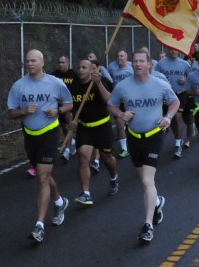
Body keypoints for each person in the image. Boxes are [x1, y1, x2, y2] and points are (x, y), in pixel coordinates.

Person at [107, 49, 180, 243]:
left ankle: (147, 225)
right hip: (133, 137)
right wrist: (120, 114)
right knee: (145, 181)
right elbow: (111, 104)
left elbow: (174, 101)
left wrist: (168, 117)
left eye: (141, 61)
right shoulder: (122, 86)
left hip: (154, 136)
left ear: (149, 64)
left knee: (148, 181)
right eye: (135, 61)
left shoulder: (159, 84)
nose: (138, 64)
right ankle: (157, 202)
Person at [7, 49, 72, 243]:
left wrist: (58, 110)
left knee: (42, 177)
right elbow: (10, 113)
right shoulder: (19, 86)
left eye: (33, 61)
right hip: (30, 135)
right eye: (27, 61)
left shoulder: (55, 83)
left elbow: (69, 103)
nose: (30, 64)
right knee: (44, 175)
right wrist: (23, 111)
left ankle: (39, 226)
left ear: (42, 62)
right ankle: (60, 202)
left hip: (49, 133)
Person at [68, 59, 119, 205]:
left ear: (92, 70)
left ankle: (114, 177)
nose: (81, 70)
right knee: (83, 156)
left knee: (106, 157)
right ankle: (86, 193)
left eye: (84, 67)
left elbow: (110, 101)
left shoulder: (101, 81)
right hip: (85, 127)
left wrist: (98, 83)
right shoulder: (74, 86)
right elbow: (74, 107)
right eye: (79, 67)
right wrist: (73, 121)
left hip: (102, 126)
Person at [155, 48, 192, 159]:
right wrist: (162, 80)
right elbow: (154, 76)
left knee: (177, 117)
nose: (173, 51)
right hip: (165, 95)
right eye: (171, 50)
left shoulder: (185, 64)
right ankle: (178, 138)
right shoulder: (161, 64)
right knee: (170, 120)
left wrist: (185, 80)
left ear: (179, 51)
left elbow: (191, 78)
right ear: (167, 50)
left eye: (175, 50)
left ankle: (177, 146)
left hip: (180, 94)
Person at [51, 55, 78, 163]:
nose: (61, 64)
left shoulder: (73, 74)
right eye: (59, 62)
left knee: (69, 126)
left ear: (67, 63)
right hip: (59, 105)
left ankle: (66, 151)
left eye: (63, 62)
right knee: (64, 128)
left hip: (70, 105)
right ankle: (72, 143)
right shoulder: (54, 75)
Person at [107, 49, 134, 158]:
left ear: (126, 57)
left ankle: (133, 139)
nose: (119, 58)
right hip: (118, 100)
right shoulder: (112, 67)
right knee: (119, 123)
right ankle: (124, 149)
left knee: (132, 122)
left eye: (122, 56)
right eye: (118, 56)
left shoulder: (131, 68)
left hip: (130, 99)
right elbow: (109, 80)